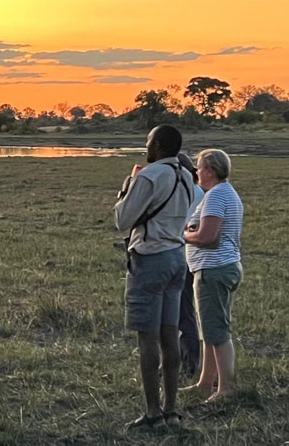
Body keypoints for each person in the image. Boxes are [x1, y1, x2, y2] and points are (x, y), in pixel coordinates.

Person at [114, 125, 195, 430]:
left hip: (150, 259)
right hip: (177, 257)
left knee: (147, 337)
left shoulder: (148, 176)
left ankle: (152, 412)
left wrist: (127, 187)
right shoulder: (187, 176)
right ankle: (172, 410)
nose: (146, 147)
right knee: (169, 332)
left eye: (148, 142)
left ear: (158, 146)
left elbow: (122, 220)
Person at [182, 149, 243, 403]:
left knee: (217, 331)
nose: (196, 171)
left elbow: (208, 237)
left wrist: (185, 234)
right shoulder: (224, 193)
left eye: (199, 167)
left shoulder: (217, 196)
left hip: (214, 269)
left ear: (210, 170)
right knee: (209, 329)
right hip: (220, 267)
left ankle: (225, 388)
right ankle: (205, 383)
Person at [176, 152, 206, 378]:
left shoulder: (181, 191)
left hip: (180, 255)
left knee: (182, 312)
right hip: (193, 256)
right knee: (184, 310)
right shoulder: (200, 192)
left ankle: (190, 363)